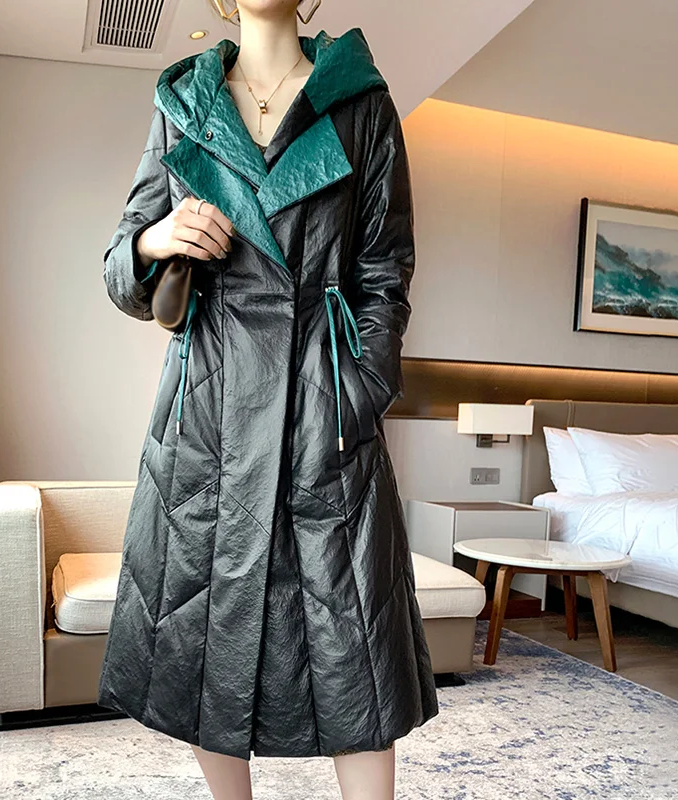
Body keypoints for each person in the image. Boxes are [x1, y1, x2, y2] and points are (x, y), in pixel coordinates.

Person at [97, 1, 439, 798]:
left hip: (325, 403)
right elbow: (119, 266)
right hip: (210, 408)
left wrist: (355, 395)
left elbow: (385, 274)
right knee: (204, 647)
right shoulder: (182, 104)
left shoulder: (361, 103)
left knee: (357, 652)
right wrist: (156, 239)